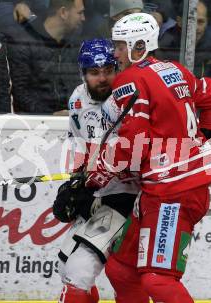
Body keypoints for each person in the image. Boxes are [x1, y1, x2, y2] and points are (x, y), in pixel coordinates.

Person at [85, 13, 211, 303]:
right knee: (121, 269)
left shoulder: (131, 79)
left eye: (119, 46)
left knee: (158, 279)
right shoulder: (176, 71)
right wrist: (201, 137)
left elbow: (132, 141)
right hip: (163, 190)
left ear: (138, 46)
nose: (115, 54)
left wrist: (101, 171)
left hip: (173, 194)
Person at [52, 39, 144, 303]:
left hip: (128, 195)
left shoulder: (128, 98)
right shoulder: (77, 100)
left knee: (79, 271)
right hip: (98, 193)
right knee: (64, 266)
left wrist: (98, 177)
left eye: (108, 70)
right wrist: (76, 183)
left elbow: (132, 153)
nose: (103, 78)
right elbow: (79, 146)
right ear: (83, 74)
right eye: (95, 72)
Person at [155, 0, 211, 117]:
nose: (196, 28)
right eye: (191, 21)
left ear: (207, 22)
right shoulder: (162, 50)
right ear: (179, 21)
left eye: (201, 22)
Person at [8, 0, 85, 114]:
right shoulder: (24, 43)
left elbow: (78, 88)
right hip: (36, 124)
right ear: (63, 12)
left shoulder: (72, 44)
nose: (83, 18)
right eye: (79, 13)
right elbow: (21, 95)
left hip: (71, 120)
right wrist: (50, 115)